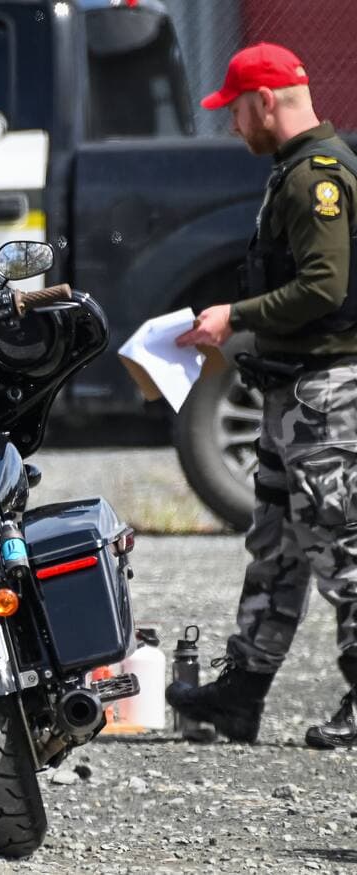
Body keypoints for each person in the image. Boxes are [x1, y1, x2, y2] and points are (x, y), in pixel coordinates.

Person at [169, 43, 357, 749]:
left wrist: (235, 317)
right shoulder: (293, 173)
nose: (232, 124)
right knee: (275, 549)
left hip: (328, 398)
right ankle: (240, 694)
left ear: (265, 101)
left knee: (343, 548)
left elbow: (324, 288)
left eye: (235, 109)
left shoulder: (317, 179)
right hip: (292, 395)